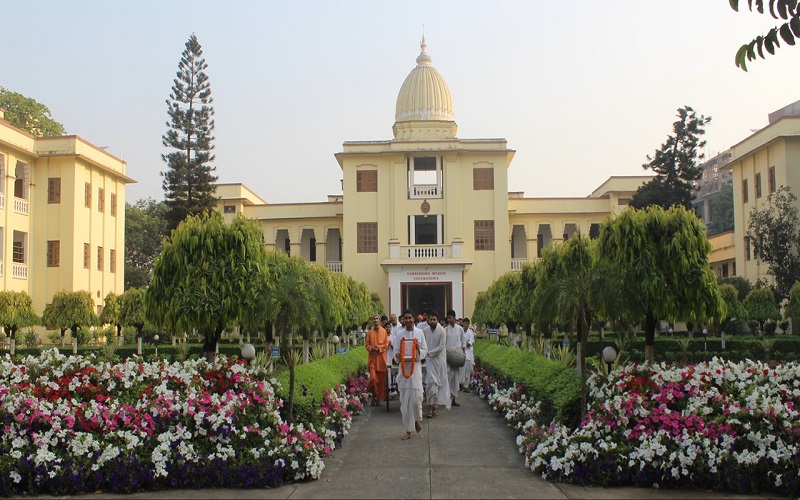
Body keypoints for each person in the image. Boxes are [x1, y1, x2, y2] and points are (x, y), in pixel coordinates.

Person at [395, 310, 428, 440]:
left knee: (416, 399)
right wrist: (397, 355)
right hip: (403, 370)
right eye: (405, 318)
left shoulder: (420, 333)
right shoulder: (399, 334)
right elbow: (396, 351)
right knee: (405, 401)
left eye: (410, 318)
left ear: (414, 319)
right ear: (403, 320)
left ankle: (416, 420)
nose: (408, 320)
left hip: (416, 369)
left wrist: (419, 348)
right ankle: (408, 430)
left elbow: (425, 350)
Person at [421, 310, 449, 417]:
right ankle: (429, 407)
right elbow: (422, 344)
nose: (432, 321)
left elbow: (441, 346)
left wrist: (429, 353)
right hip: (429, 360)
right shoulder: (425, 331)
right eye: (430, 319)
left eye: (434, 319)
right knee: (431, 382)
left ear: (437, 320)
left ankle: (434, 407)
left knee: (438, 384)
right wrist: (424, 354)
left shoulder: (442, 331)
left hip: (439, 360)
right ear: (428, 320)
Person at [365, 314, 389, 407]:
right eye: (374, 319)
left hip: (381, 359)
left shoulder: (384, 332)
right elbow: (366, 345)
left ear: (379, 320)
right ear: (372, 320)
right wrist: (371, 348)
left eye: (377, 319)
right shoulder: (369, 333)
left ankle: (376, 397)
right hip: (372, 359)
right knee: (373, 379)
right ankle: (375, 396)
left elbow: (386, 344)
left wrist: (379, 347)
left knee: (380, 381)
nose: (375, 320)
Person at [444, 309, 466, 407]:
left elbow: (463, 342)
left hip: (457, 357)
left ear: (454, 317)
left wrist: (463, 354)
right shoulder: (445, 330)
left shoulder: (460, 329)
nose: (449, 319)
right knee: (448, 377)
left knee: (456, 379)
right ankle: (446, 398)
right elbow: (443, 344)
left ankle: (454, 399)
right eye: (448, 318)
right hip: (448, 357)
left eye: (450, 317)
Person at [460, 317, 476, 392]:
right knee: (460, 371)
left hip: (468, 354)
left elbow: (470, 343)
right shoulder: (460, 331)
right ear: (462, 324)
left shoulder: (470, 333)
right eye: (465, 323)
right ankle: (460, 384)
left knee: (467, 371)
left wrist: (464, 344)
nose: (466, 325)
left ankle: (466, 386)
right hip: (460, 354)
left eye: (467, 324)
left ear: (469, 325)